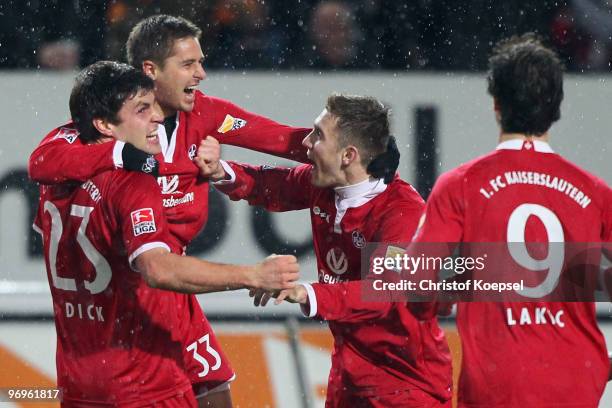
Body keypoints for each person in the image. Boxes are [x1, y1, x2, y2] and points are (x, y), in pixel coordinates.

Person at [28, 15, 309, 407]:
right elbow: (41, 161)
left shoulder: (206, 116)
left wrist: (344, 143)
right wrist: (126, 156)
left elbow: (286, 141)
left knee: (215, 387)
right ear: (151, 70)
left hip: (158, 289)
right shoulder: (115, 154)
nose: (202, 73)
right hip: (143, 289)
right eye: (189, 64)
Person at [198, 94, 453, 407]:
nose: (305, 141)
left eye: (317, 134)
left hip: (405, 384)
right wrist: (221, 170)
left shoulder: (403, 213)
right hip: (348, 376)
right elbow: (274, 186)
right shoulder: (325, 186)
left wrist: (307, 292)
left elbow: (385, 293)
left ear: (348, 155)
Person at [407, 34, 611, 407]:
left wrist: (446, 294)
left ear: (496, 106)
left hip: (497, 385)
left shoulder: (462, 184)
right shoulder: (597, 194)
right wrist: (599, 363)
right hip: (577, 383)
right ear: (556, 108)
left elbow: (416, 282)